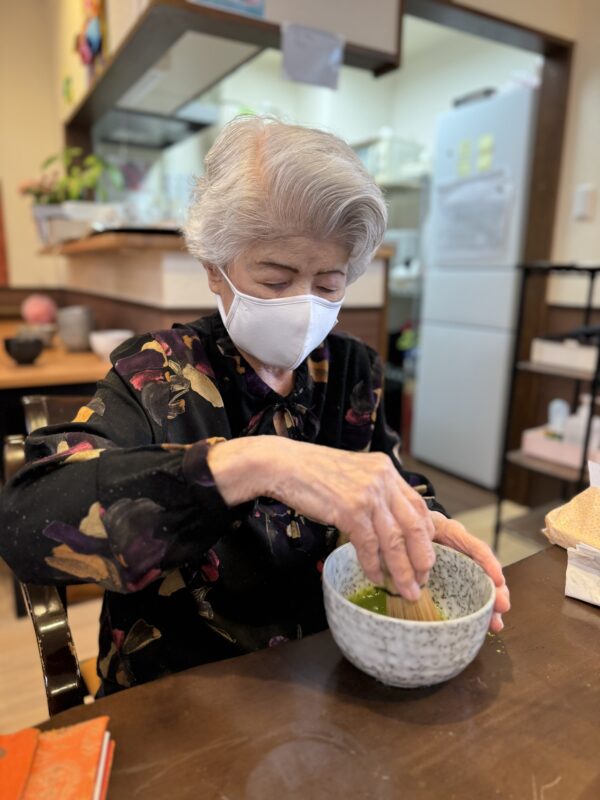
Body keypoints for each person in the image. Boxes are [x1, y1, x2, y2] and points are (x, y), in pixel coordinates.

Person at [0, 117, 509, 696]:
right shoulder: (157, 375)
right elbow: (27, 524)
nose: (304, 306)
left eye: (329, 284)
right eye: (275, 280)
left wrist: (419, 521)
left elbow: (384, 472)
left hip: (327, 676)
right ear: (215, 269)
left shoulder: (349, 370)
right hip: (184, 693)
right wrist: (260, 463)